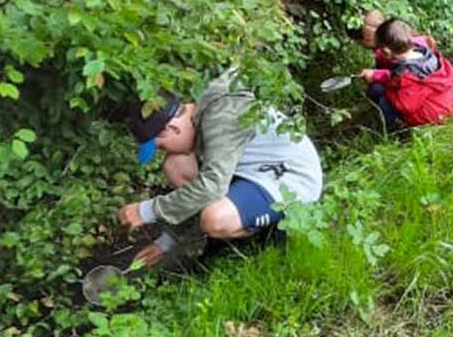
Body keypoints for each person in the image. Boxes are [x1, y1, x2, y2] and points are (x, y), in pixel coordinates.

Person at [119, 69, 324, 266]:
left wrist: (145, 211)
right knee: (176, 165)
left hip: (289, 177)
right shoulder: (202, 110)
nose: (164, 151)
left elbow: (211, 187)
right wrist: (166, 243)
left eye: (161, 146)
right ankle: (235, 220)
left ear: (172, 128)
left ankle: (264, 236)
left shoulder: (220, 118)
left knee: (214, 218)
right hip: (252, 170)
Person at [360, 18, 453, 130]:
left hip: (432, 116)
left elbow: (405, 106)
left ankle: (398, 130)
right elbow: (399, 78)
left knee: (382, 98)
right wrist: (377, 75)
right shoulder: (424, 53)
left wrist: (388, 90)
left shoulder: (407, 75)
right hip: (443, 105)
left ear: (386, 51)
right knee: (378, 88)